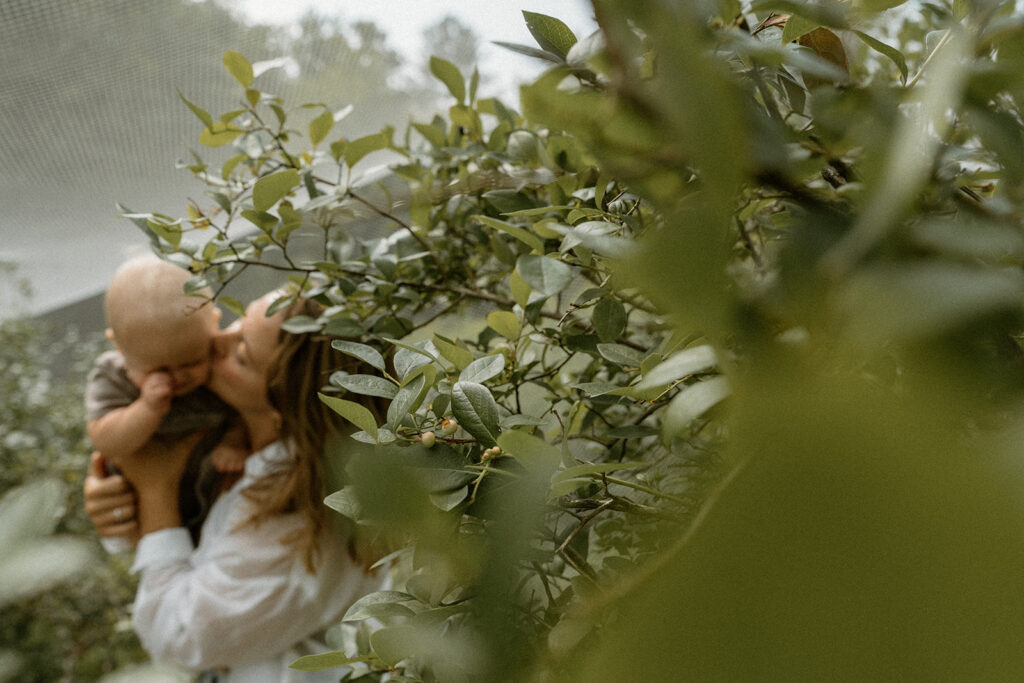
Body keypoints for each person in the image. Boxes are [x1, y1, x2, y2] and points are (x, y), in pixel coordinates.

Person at [85, 290, 387, 681]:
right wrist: (116, 503)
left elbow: (176, 633)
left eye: (241, 354)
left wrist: (155, 492)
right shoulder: (224, 423)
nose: (216, 341)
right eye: (238, 322)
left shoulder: (302, 517)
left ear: (282, 409)